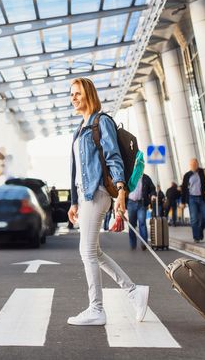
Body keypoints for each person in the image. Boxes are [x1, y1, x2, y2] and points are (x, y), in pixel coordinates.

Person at [67, 77, 149, 326]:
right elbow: (75, 168)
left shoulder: (101, 122)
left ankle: (97, 309)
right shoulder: (79, 129)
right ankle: (134, 292)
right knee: (95, 252)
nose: (73, 98)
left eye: (78, 93)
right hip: (85, 196)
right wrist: (73, 201)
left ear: (89, 95)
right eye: (71, 94)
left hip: (99, 192)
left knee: (87, 252)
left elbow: (114, 158)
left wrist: (121, 191)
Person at [181, 158, 205, 243]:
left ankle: (199, 231)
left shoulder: (204, 172)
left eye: (194, 164)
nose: (193, 166)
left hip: (202, 198)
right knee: (194, 219)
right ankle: (196, 237)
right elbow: (184, 189)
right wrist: (183, 202)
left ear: (197, 164)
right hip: (191, 198)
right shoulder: (187, 175)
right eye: (191, 165)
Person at [126, 173, 156, 251]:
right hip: (131, 203)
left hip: (141, 204)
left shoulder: (146, 178)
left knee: (142, 223)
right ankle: (133, 244)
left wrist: (153, 195)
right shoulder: (130, 176)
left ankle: (144, 243)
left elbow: (152, 188)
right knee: (132, 224)